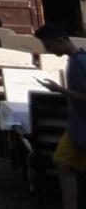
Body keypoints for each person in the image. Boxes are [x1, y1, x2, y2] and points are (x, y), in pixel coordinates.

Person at [35, 24, 86, 209]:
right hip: (77, 127)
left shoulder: (80, 62)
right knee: (62, 162)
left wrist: (60, 90)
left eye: (49, 45)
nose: (47, 50)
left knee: (63, 163)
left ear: (60, 41)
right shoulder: (76, 60)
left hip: (81, 128)